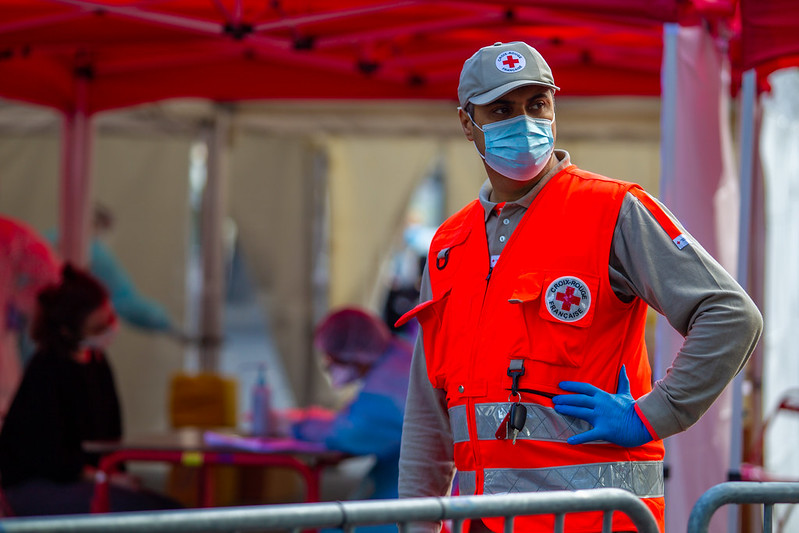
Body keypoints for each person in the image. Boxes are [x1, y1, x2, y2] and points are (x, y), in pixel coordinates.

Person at [395, 41, 763, 533]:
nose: (524, 122)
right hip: (480, 523)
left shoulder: (613, 210)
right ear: (468, 123)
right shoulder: (449, 244)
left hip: (594, 523)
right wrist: (417, 522)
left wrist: (654, 413)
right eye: (502, 109)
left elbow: (731, 315)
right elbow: (429, 408)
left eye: (537, 105)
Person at [0, 264, 180, 515]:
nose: (108, 331)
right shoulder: (46, 371)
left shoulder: (97, 363)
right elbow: (46, 457)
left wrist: (114, 477)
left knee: (171, 512)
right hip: (37, 485)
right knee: (150, 515)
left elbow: (111, 437)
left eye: (109, 320)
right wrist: (100, 478)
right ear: (67, 332)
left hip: (83, 480)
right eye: (97, 327)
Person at [291, 307, 412, 531]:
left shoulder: (385, 388)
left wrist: (296, 424)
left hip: (412, 501)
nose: (328, 365)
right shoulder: (399, 357)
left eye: (332, 358)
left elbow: (348, 432)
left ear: (352, 353)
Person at [0, 215, 61, 423]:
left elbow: (51, 278)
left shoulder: (9, 234)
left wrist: (15, 302)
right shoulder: (10, 233)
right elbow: (51, 277)